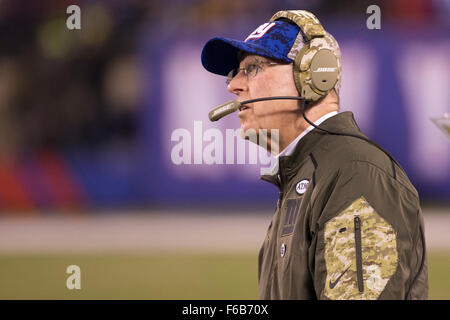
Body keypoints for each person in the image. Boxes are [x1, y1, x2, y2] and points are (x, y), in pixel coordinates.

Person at [201, 10, 428, 299]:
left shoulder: (355, 175)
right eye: (235, 73)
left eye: (254, 68)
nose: (234, 85)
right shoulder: (307, 174)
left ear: (313, 74)